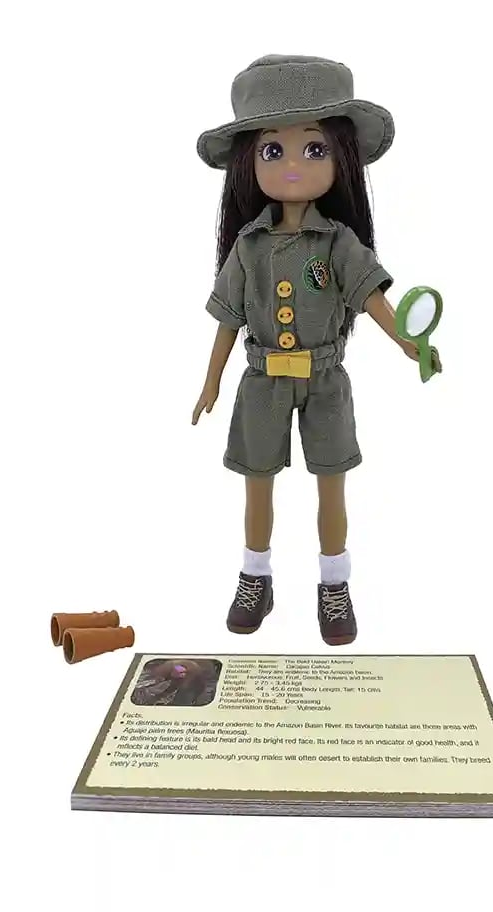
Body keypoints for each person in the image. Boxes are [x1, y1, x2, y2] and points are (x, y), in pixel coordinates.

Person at [192, 55, 441, 646]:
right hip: (261, 380)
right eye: (272, 150)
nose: (293, 166)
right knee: (257, 481)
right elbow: (228, 319)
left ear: (341, 157)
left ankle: (334, 585)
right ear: (249, 161)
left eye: (314, 148)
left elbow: (373, 298)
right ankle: (256, 578)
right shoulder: (249, 245)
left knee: (332, 481)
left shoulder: (338, 242)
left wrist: (409, 343)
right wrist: (211, 382)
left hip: (326, 379)